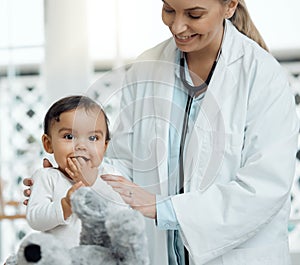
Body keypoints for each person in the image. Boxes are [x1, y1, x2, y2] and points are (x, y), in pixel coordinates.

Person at [24, 0, 299, 264]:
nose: (177, 26)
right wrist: (72, 180)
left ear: (229, 6)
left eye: (194, 15)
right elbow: (124, 163)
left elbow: (263, 188)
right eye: (168, 9)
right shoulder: (148, 66)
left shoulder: (263, 76)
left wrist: (164, 208)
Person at [26, 95, 124, 248]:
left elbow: (124, 214)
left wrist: (94, 182)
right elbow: (35, 218)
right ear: (48, 144)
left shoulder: (110, 175)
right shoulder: (47, 177)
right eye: (69, 136)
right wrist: (65, 206)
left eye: (93, 137)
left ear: (104, 146)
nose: (81, 146)